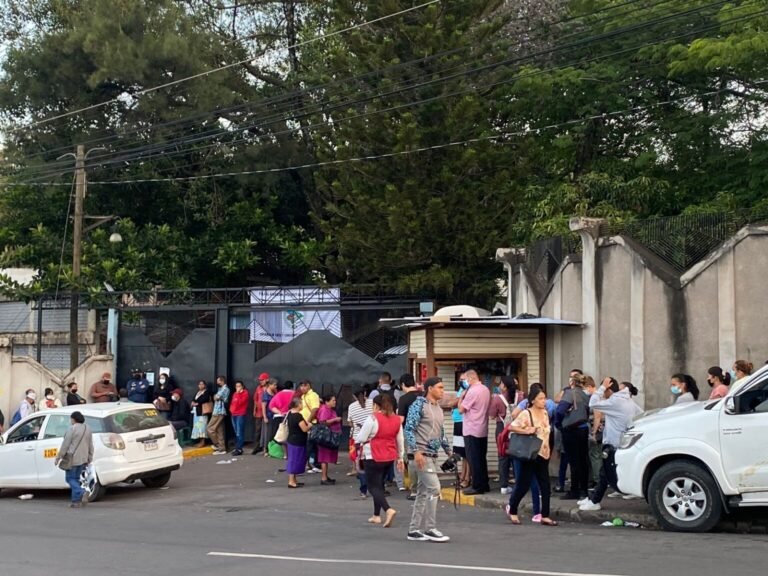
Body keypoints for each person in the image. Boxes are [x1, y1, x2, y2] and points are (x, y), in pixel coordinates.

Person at [579, 377, 643, 511]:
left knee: (605, 474)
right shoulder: (628, 401)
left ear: (608, 389)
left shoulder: (615, 401)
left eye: (605, 389)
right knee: (606, 473)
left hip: (612, 443)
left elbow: (593, 403)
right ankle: (593, 499)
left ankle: (594, 501)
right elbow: (641, 415)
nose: (603, 394)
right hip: (621, 442)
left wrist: (601, 387)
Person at [404, 376, 452, 543]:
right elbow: (409, 429)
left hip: (432, 455)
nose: (442, 390)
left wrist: (449, 452)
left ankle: (414, 529)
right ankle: (430, 528)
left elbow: (441, 432)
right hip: (421, 455)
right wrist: (416, 451)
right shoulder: (419, 405)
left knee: (423, 492)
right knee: (434, 489)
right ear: (429, 388)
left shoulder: (438, 408)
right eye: (439, 387)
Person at [506, 385, 557, 526]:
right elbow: (512, 427)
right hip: (531, 453)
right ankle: (513, 510)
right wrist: (528, 430)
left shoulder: (546, 413)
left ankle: (545, 515)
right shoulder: (526, 413)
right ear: (533, 400)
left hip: (544, 453)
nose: (544, 401)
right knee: (523, 484)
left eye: (544, 398)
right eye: (540, 398)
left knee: (545, 485)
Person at [356, 394, 404, 527]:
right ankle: (376, 515)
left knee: (372, 487)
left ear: (376, 405)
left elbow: (361, 438)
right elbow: (400, 440)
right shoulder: (396, 420)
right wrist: (400, 457)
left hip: (373, 455)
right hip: (389, 456)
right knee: (380, 485)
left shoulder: (372, 419)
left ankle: (388, 509)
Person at [556, 373, 591, 500]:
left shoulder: (570, 393)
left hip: (571, 429)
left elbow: (560, 410)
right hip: (583, 428)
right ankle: (584, 490)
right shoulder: (585, 395)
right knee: (583, 460)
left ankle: (574, 490)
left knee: (574, 461)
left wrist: (558, 424)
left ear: (572, 382)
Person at [458, 369, 491, 495]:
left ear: (470, 378)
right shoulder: (485, 389)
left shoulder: (472, 391)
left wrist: (461, 397)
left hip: (471, 428)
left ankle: (477, 486)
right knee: (481, 458)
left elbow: (461, 409)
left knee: (473, 459)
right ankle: (484, 483)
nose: (463, 382)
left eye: (464, 379)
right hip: (482, 428)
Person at [55, 411, 94, 508]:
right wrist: (90, 457)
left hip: (72, 458)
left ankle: (82, 492)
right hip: (83, 458)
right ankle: (75, 502)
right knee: (76, 479)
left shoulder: (72, 429)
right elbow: (91, 445)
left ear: (73, 419)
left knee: (69, 478)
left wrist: (58, 457)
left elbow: (65, 445)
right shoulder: (87, 428)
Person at [489, 376, 517, 495]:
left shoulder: (497, 399)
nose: (499, 386)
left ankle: (504, 486)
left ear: (504, 386)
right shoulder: (520, 396)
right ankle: (519, 483)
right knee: (517, 455)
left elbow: (491, 416)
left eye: (501, 384)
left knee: (503, 456)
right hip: (518, 429)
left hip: (502, 429)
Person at [397, 374, 420, 499]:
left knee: (412, 461)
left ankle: (415, 490)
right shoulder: (423, 395)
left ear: (402, 385)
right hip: (426, 432)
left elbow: (401, 419)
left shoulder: (403, 399)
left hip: (410, 434)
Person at [349, 384, 373, 498]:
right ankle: (376, 488)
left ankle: (363, 490)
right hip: (372, 439)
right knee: (373, 463)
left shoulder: (351, 407)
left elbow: (350, 422)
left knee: (361, 466)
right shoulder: (373, 403)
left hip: (358, 440)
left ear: (354, 396)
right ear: (365, 393)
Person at [285, 397, 314, 488]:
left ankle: (294, 479)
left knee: (294, 459)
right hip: (297, 441)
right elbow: (304, 429)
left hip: (291, 439)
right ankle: (291, 481)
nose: (302, 405)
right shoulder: (298, 416)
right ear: (297, 405)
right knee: (295, 460)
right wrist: (309, 425)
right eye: (301, 403)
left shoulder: (289, 413)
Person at [315, 393, 342, 485]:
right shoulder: (325, 410)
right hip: (326, 437)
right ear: (327, 402)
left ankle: (325, 476)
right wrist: (335, 420)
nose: (335, 402)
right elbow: (323, 422)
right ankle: (324, 477)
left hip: (330, 436)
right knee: (324, 457)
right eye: (333, 400)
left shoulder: (329, 409)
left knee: (326, 457)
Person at [450, 374, 470, 489]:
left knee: (466, 453)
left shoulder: (468, 391)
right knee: (461, 453)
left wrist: (453, 402)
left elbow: (454, 403)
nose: (461, 381)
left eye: (463, 379)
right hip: (457, 422)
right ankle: (462, 476)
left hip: (463, 422)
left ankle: (467, 478)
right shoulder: (461, 390)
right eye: (460, 379)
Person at [297, 380, 321, 472]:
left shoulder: (313, 395)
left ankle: (313, 464)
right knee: (309, 445)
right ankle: (310, 464)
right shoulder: (303, 396)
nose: (302, 388)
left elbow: (315, 408)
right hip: (305, 423)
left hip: (311, 423)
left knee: (311, 445)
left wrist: (308, 420)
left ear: (309, 386)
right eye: (301, 386)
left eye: (304, 386)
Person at [207, 376, 231, 455]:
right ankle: (222, 448)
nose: (217, 382)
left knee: (210, 428)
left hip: (219, 411)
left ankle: (217, 444)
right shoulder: (222, 389)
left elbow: (216, 397)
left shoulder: (224, 389)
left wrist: (216, 397)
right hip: (219, 411)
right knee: (219, 431)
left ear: (222, 381)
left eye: (218, 381)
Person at [255, 378, 278, 454]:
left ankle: (270, 448)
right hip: (268, 415)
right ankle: (265, 449)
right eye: (274, 385)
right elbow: (263, 406)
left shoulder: (274, 393)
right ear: (270, 385)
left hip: (274, 415)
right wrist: (264, 417)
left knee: (272, 432)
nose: (275, 386)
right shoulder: (266, 394)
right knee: (266, 433)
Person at [228, 380, 249, 456]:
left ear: (242, 386)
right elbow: (233, 403)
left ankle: (239, 448)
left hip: (240, 414)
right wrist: (231, 410)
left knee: (239, 432)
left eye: (239, 386)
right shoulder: (234, 394)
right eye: (236, 386)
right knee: (236, 431)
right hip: (234, 414)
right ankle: (237, 447)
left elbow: (240, 402)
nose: (238, 388)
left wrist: (238, 394)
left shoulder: (245, 393)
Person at [251, 372, 269, 455]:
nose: (261, 381)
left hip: (267, 412)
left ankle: (266, 447)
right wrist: (254, 409)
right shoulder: (258, 388)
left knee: (267, 431)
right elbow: (255, 399)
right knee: (257, 430)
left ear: (266, 380)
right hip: (259, 412)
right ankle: (256, 447)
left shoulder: (270, 387)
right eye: (260, 380)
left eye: (262, 380)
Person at [190, 380, 212, 448]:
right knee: (197, 427)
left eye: (202, 384)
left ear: (205, 385)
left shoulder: (206, 392)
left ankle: (203, 441)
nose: (200, 385)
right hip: (196, 412)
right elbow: (194, 399)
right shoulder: (198, 392)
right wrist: (193, 402)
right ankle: (199, 441)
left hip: (202, 412)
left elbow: (204, 399)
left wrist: (197, 403)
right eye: (199, 384)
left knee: (202, 427)